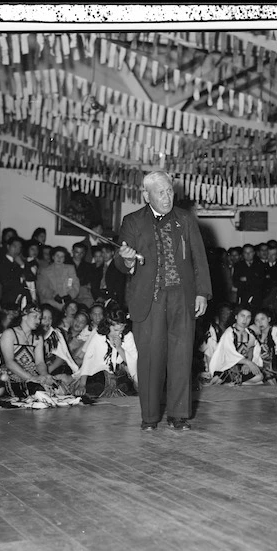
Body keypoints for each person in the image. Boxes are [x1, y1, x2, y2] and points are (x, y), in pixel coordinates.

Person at [115, 170, 212, 430]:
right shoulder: (132, 221)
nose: (167, 197)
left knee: (181, 357)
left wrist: (202, 292)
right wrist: (126, 258)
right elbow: (122, 263)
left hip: (182, 297)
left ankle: (178, 415)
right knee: (150, 360)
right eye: (161, 192)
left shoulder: (186, 219)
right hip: (150, 300)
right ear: (146, 196)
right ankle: (149, 417)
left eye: (169, 190)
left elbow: (199, 259)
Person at [72, 305, 138, 398]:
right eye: (115, 330)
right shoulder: (99, 335)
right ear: (108, 325)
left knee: (133, 386)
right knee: (93, 388)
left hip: (121, 372)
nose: (118, 333)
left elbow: (132, 360)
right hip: (100, 373)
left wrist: (119, 348)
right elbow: (88, 359)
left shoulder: (127, 335)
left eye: (121, 329)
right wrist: (82, 384)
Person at [0, 302, 58, 400]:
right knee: (36, 389)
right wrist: (31, 378)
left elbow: (40, 362)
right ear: (24, 316)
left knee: (56, 386)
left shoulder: (38, 337)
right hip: (12, 374)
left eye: (39, 318)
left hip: (31, 372)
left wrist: (45, 375)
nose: (38, 321)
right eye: (35, 316)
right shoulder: (9, 334)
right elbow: (9, 362)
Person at [208, 305, 263, 385]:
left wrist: (247, 364)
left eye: (248, 317)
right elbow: (229, 354)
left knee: (259, 377)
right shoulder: (229, 333)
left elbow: (251, 350)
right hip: (228, 365)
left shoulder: (250, 333)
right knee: (216, 381)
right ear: (236, 316)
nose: (245, 320)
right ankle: (229, 380)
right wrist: (248, 362)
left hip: (243, 365)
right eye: (242, 316)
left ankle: (233, 382)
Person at [36, 246, 80, 312]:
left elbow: (76, 284)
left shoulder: (70, 268)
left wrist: (70, 296)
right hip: (51, 300)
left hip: (67, 300)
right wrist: (54, 295)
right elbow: (42, 287)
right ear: (53, 257)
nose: (59, 258)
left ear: (64, 258)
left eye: (62, 256)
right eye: (57, 256)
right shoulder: (45, 271)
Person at [0, 236, 29, 307]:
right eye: (14, 246)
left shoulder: (20, 261)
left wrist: (22, 265)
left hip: (22, 296)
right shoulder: (1, 262)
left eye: (19, 247)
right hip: (9, 297)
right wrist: (21, 266)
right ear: (8, 246)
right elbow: (6, 282)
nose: (17, 250)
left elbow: (29, 277)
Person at [251, 309, 277, 384]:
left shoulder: (275, 331)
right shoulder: (255, 336)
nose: (260, 322)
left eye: (262, 319)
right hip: (263, 370)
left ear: (269, 319)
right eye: (257, 320)